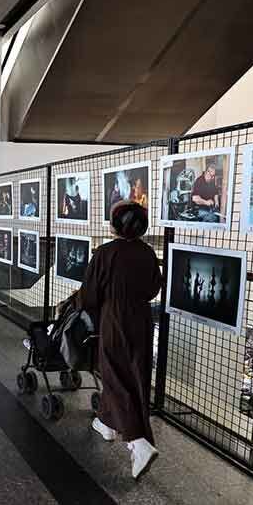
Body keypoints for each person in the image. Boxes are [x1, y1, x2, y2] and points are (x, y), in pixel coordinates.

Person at [80, 200, 163, 479]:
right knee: (135, 377)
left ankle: (138, 442)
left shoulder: (105, 253)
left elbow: (90, 295)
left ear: (115, 224)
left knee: (114, 375)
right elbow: (153, 288)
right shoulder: (148, 253)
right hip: (141, 319)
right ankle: (105, 423)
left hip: (114, 319)